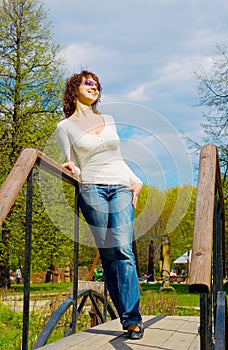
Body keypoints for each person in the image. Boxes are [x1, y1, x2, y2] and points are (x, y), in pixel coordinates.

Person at [56, 69, 144, 339]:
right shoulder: (65, 126)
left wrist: (136, 179)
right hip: (91, 188)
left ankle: (132, 319)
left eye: (97, 84)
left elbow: (116, 157)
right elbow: (71, 162)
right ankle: (124, 315)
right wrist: (69, 167)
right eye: (88, 83)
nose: (94, 87)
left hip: (119, 186)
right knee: (108, 256)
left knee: (123, 250)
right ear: (75, 89)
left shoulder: (109, 119)